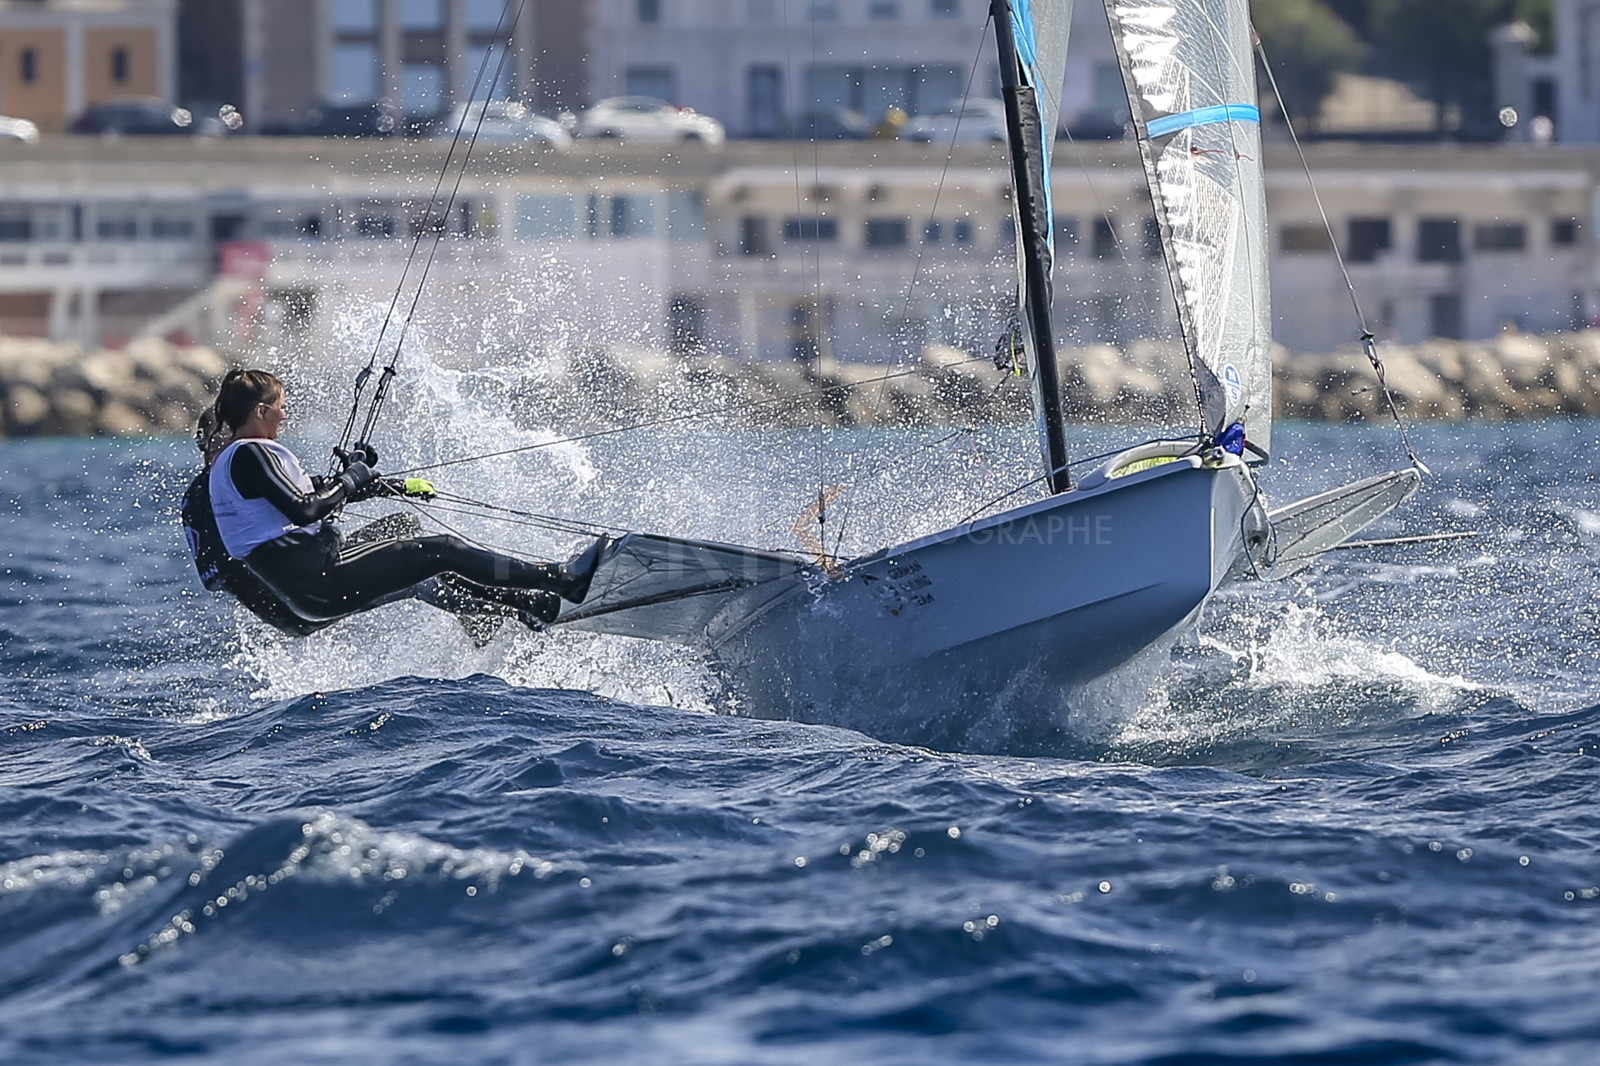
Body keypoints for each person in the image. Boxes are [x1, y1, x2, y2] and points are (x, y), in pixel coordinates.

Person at [192, 368, 606, 631]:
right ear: (261, 411)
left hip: (313, 583)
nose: (287, 415)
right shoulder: (245, 455)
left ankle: (528, 602)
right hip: (317, 581)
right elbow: (305, 509)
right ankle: (559, 581)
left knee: (418, 547)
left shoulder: (236, 463)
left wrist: (377, 481)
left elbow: (313, 493)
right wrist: (353, 478)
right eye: (281, 407)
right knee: (441, 551)